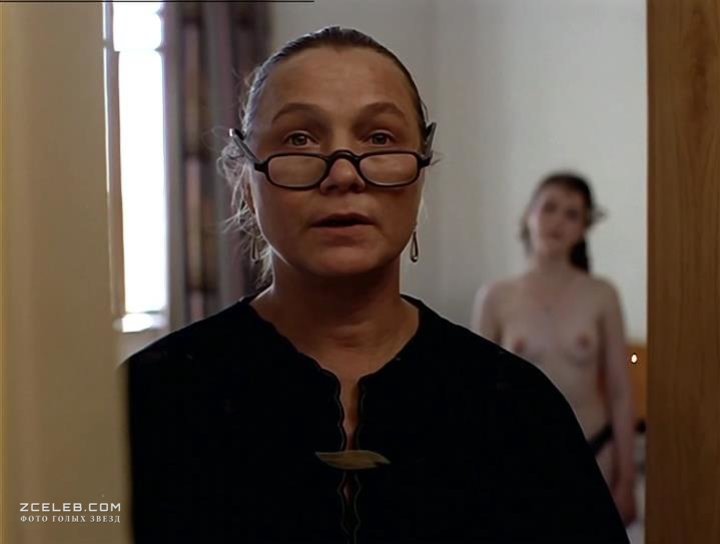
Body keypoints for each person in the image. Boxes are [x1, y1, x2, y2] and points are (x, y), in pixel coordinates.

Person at [125, 27, 629, 543]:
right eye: (299, 139)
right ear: (246, 182)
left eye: (380, 138)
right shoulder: (151, 399)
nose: (344, 175)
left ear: (421, 172)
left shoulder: (518, 407)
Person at [471, 173, 637, 527]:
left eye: (572, 214)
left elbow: (621, 391)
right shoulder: (495, 297)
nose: (558, 221)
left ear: (584, 229)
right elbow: (476, 395)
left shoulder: (601, 295)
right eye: (549, 208)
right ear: (528, 215)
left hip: (594, 448)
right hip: (519, 453)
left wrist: (626, 481)